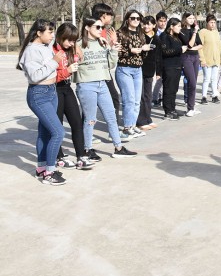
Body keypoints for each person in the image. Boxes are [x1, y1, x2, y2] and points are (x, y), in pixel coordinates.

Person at [74, 17, 137, 158]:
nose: (100, 30)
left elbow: (111, 65)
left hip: (102, 84)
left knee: (111, 117)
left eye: (101, 27)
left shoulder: (102, 43)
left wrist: (113, 50)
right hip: (86, 85)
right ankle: (87, 149)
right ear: (87, 28)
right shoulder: (78, 44)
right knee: (90, 119)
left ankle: (118, 147)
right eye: (97, 27)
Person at [17, 19, 67, 185]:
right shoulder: (31, 51)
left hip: (51, 92)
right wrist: (55, 61)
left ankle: (41, 167)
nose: (52, 35)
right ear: (38, 33)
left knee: (45, 132)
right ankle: (49, 173)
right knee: (58, 132)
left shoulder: (45, 46)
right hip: (39, 94)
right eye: (49, 32)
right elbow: (36, 76)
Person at [53, 23, 94, 170]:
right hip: (54, 90)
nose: (71, 43)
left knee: (76, 122)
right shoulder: (52, 51)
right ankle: (58, 156)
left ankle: (81, 156)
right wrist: (67, 70)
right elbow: (49, 75)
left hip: (67, 87)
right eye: (69, 40)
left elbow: (80, 59)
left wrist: (77, 51)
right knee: (57, 126)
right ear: (60, 37)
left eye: (74, 40)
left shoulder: (71, 49)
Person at [115, 9, 150, 138]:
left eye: (138, 18)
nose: (136, 20)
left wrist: (144, 50)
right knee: (128, 99)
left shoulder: (141, 34)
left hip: (137, 69)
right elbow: (117, 51)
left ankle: (133, 125)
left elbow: (142, 54)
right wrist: (131, 51)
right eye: (132, 18)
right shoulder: (120, 33)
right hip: (124, 68)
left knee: (136, 100)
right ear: (127, 19)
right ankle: (127, 127)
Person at [91, 3, 121, 127]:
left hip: (105, 70)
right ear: (103, 15)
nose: (111, 18)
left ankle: (114, 129)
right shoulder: (94, 30)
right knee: (90, 105)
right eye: (110, 15)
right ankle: (87, 133)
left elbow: (108, 54)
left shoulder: (104, 30)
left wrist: (113, 43)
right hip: (94, 72)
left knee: (114, 98)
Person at [159, 18, 187, 120]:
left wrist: (180, 33)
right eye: (178, 26)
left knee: (174, 89)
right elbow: (165, 51)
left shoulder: (176, 36)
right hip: (168, 66)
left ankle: (172, 108)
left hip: (177, 66)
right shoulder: (164, 36)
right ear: (171, 26)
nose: (180, 28)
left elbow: (187, 42)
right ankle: (168, 111)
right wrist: (179, 49)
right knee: (168, 88)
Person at [136, 16, 160, 130]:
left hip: (150, 70)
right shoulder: (139, 36)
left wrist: (158, 72)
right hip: (139, 69)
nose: (146, 26)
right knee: (141, 96)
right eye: (145, 24)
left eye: (149, 24)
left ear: (154, 26)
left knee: (148, 96)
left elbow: (159, 57)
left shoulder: (157, 39)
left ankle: (147, 118)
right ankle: (140, 121)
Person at [180, 12, 203, 117]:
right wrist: (194, 33)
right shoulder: (182, 31)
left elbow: (200, 45)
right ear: (185, 19)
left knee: (193, 83)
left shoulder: (194, 30)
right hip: (186, 58)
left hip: (195, 57)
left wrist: (192, 48)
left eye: (193, 18)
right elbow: (189, 43)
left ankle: (192, 107)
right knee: (192, 82)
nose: (192, 20)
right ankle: (189, 108)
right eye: (190, 18)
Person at [198, 14, 221, 104]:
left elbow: (220, 46)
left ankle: (214, 95)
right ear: (207, 23)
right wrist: (202, 60)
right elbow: (200, 47)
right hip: (207, 60)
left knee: (214, 79)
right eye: (211, 22)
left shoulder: (216, 32)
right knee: (206, 78)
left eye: (214, 22)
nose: (213, 24)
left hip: (215, 60)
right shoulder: (202, 32)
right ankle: (204, 96)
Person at [152, 11, 168, 106]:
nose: (162, 23)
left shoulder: (168, 32)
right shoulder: (154, 33)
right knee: (156, 80)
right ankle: (155, 98)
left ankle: (161, 97)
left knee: (162, 80)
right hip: (155, 59)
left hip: (165, 59)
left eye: (164, 21)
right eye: (160, 21)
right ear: (157, 21)